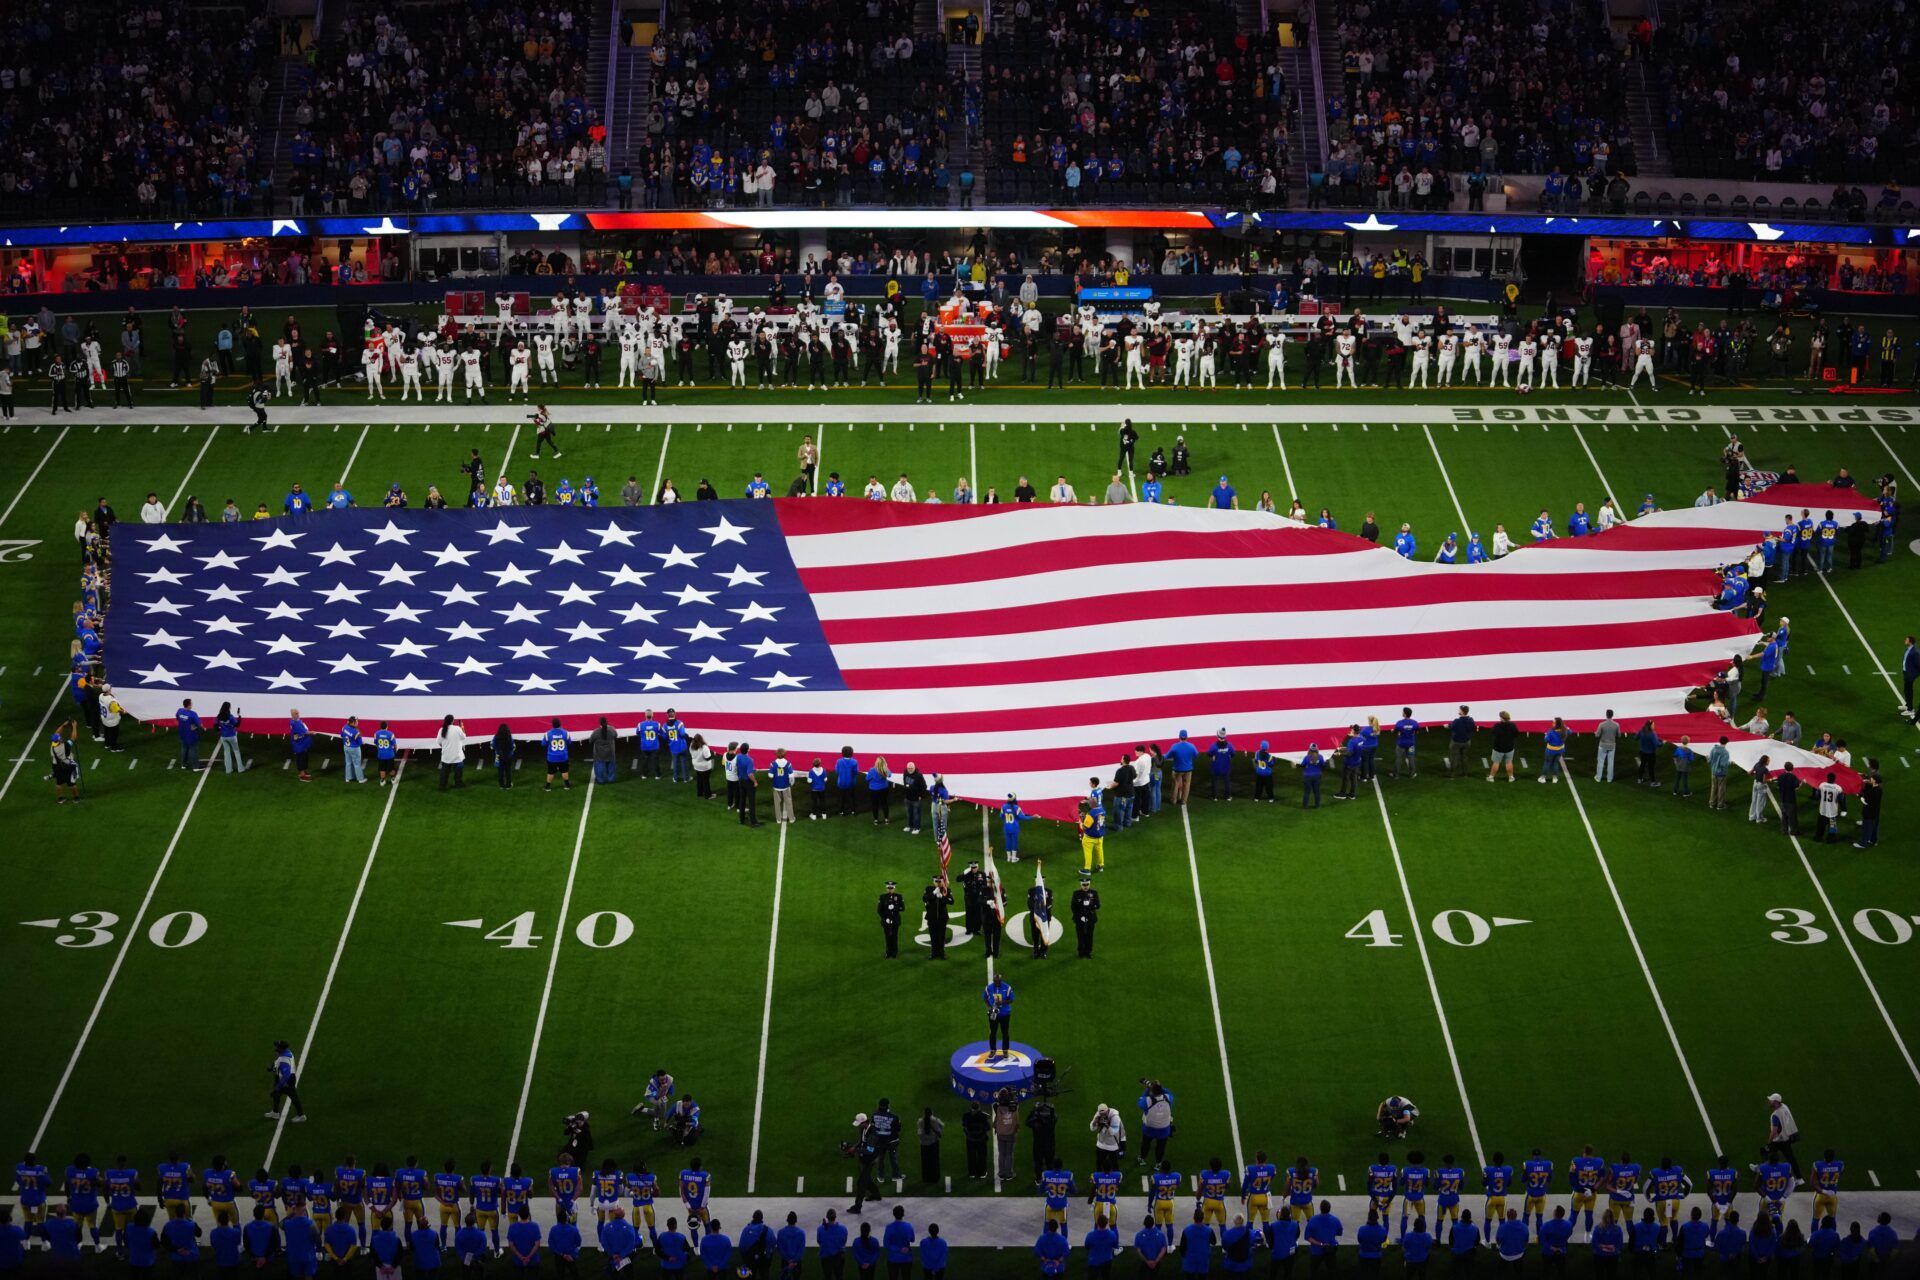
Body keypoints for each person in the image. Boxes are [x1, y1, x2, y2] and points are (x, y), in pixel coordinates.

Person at [985, 975, 1014, 1055]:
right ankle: (993, 1050)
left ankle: (1005, 1050)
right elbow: (985, 998)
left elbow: (1011, 999)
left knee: (1005, 1032)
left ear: (1001, 980)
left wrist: (1002, 1002)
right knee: (992, 1032)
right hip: (994, 1014)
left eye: (998, 982)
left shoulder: (1007, 987)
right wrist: (990, 1007)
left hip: (1004, 1014)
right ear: (993, 981)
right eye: (995, 982)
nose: (997, 983)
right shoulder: (989, 988)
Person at [877, 881, 904, 959]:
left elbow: (902, 908)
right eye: (888, 888)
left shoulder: (899, 897)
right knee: (887, 937)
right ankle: (888, 952)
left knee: (894, 936)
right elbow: (879, 910)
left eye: (891, 888)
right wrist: (885, 919)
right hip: (886, 921)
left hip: (895, 920)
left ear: (894, 888)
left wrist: (895, 908)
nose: (890, 889)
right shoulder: (882, 897)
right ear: (886, 888)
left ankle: (894, 952)